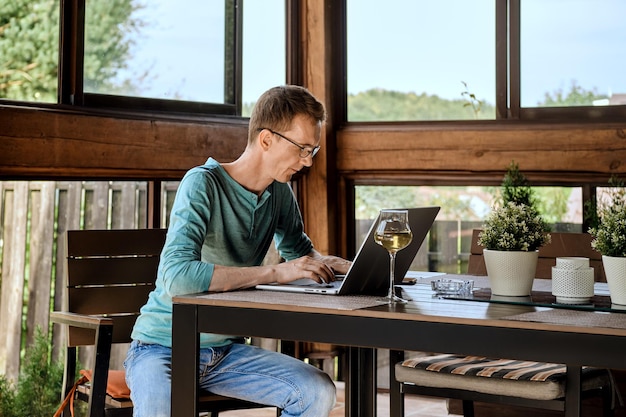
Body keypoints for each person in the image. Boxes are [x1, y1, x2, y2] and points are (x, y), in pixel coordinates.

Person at [124, 85, 351, 417]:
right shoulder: (202, 183)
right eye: (302, 148)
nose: (306, 162)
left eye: (312, 151)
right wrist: (275, 272)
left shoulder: (280, 194)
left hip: (226, 353)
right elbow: (176, 277)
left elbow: (301, 258)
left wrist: (348, 266)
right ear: (266, 140)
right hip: (162, 347)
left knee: (316, 391)